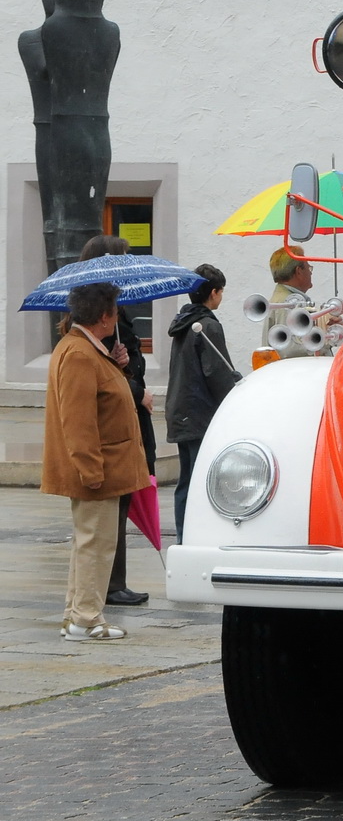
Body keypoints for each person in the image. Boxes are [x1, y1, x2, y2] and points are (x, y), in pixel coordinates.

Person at [41, 282, 149, 641]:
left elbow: (105, 398)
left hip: (106, 466)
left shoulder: (88, 349)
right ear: (104, 316)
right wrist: (90, 470)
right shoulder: (79, 353)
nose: (117, 316)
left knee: (90, 543)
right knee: (96, 545)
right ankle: (86, 620)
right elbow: (78, 420)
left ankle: (76, 614)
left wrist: (119, 365)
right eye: (115, 310)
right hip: (100, 469)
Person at [76, 235, 154, 607]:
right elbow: (99, 393)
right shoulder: (95, 329)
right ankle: (106, 588)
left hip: (129, 421)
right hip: (115, 434)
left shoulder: (117, 319)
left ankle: (111, 583)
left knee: (118, 511)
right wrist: (134, 384)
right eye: (123, 259)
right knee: (106, 519)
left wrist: (130, 373)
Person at [166, 265, 242, 543]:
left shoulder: (183, 323)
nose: (221, 297)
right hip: (200, 413)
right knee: (199, 480)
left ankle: (184, 537)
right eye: (221, 292)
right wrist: (234, 401)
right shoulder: (207, 326)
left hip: (181, 411)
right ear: (213, 292)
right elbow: (217, 373)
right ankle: (195, 537)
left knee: (186, 479)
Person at [262, 246, 332, 357]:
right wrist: (328, 338)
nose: (311, 273)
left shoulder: (280, 299)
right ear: (299, 272)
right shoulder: (288, 304)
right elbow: (290, 351)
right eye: (309, 269)